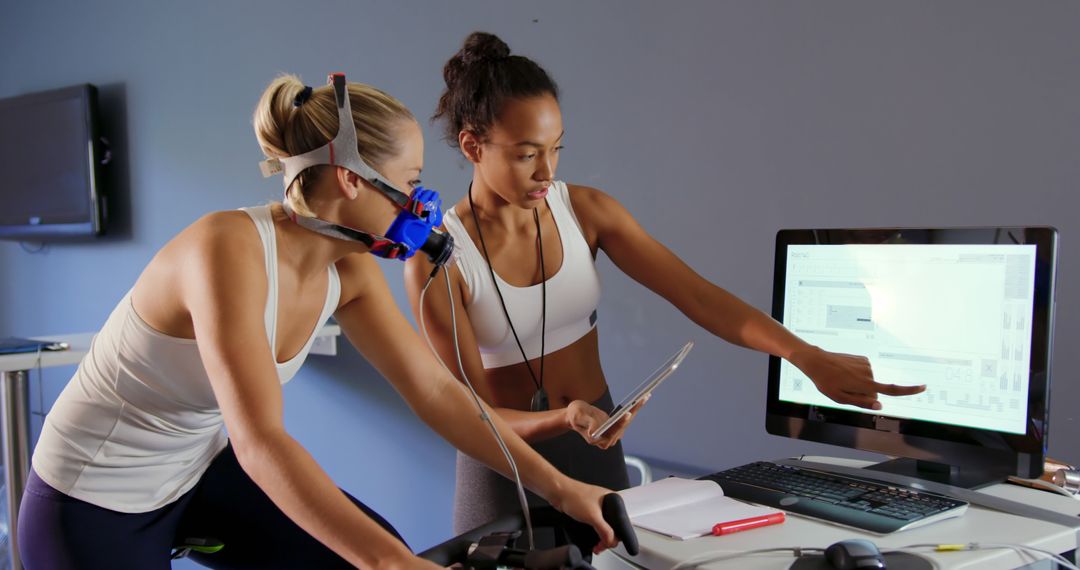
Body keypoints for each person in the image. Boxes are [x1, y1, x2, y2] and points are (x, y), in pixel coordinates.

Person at [18, 72, 621, 570]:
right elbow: (261, 442)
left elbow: (435, 391)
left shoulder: (349, 269)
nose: (422, 204)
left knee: (366, 549)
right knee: (381, 559)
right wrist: (392, 568)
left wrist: (562, 487)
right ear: (352, 178)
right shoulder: (225, 249)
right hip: (90, 496)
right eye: (410, 183)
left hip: (194, 470)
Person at [403, 31, 927, 533]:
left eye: (555, 148)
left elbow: (698, 296)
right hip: (503, 466)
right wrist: (563, 418)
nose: (547, 171)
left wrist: (803, 355)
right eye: (525, 154)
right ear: (473, 146)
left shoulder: (586, 211)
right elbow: (473, 414)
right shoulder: (437, 260)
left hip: (596, 446)